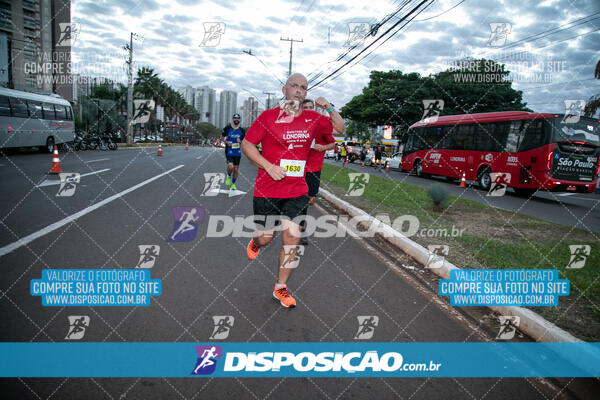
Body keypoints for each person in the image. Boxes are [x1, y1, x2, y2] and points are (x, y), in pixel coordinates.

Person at [241, 73, 338, 308]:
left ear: (306, 93)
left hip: (297, 190)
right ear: (285, 90)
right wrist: (268, 165)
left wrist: (331, 108)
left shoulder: (313, 119)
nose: (298, 90)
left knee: (292, 240)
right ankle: (256, 241)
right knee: (266, 237)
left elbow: (340, 130)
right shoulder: (268, 117)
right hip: (267, 189)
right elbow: (247, 144)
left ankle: (280, 288)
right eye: (294, 86)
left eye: (303, 88)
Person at [299, 98, 344, 245]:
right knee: (300, 199)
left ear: (315, 108)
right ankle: (301, 230)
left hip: (314, 168)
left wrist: (323, 148)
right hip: (298, 168)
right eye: (305, 107)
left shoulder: (321, 123)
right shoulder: (297, 123)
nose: (308, 110)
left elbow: (334, 138)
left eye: (311, 107)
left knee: (310, 200)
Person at [222, 113, 245, 190]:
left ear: (239, 120)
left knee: (235, 169)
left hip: (237, 152)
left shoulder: (242, 130)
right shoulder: (227, 128)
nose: (236, 119)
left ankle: (233, 184)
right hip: (229, 150)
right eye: (235, 118)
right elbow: (222, 136)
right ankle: (228, 176)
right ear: (233, 119)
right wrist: (226, 142)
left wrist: (240, 141)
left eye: (238, 118)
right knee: (230, 166)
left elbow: (244, 141)